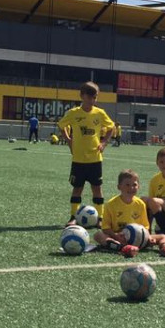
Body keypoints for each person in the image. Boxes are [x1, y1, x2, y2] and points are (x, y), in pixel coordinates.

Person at [58, 81, 116, 225]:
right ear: (82, 96)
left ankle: (100, 218)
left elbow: (111, 127)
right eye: (89, 97)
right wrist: (68, 140)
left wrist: (104, 142)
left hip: (95, 159)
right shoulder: (73, 113)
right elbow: (61, 125)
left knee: (97, 188)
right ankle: (73, 217)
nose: (92, 100)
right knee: (77, 188)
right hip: (78, 159)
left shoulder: (100, 113)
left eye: (94, 97)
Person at [93, 169, 165, 258]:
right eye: (127, 185)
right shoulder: (110, 204)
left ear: (138, 186)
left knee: (164, 237)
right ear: (119, 187)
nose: (131, 188)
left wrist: (148, 238)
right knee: (98, 235)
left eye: (134, 185)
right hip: (119, 238)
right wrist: (116, 236)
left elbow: (145, 226)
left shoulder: (141, 204)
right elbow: (105, 228)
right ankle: (122, 248)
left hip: (139, 239)